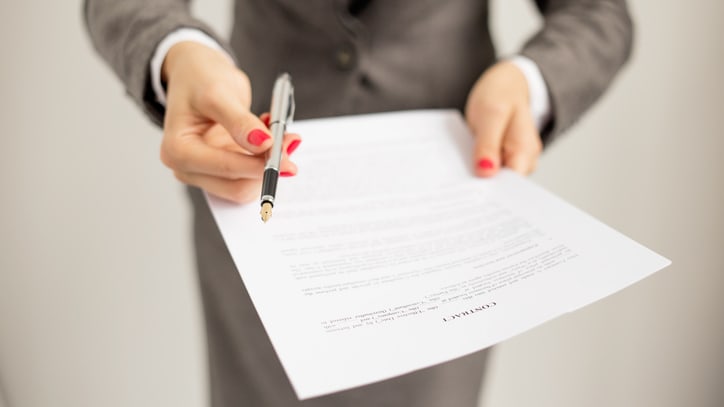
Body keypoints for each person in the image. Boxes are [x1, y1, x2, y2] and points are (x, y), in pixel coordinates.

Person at [84, 1, 633, 406]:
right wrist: (178, 51)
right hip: (249, 199)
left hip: (448, 223)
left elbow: (598, 14)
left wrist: (529, 82)